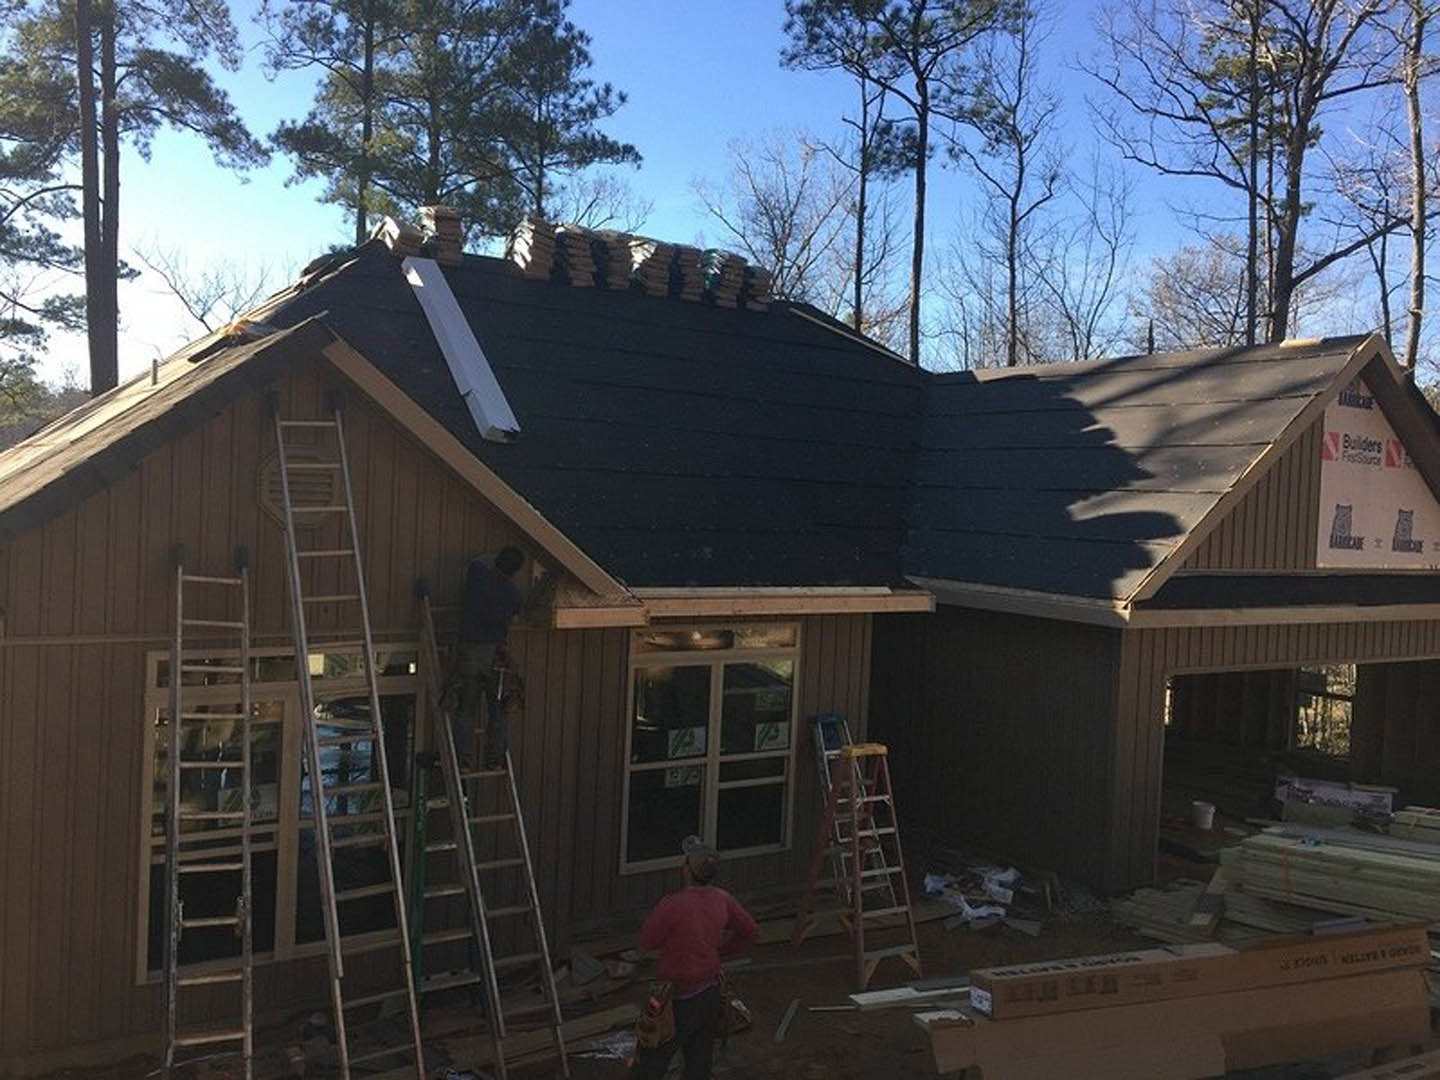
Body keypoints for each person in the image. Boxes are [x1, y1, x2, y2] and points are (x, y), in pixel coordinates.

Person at [631, 836, 759, 1080]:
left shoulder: (673, 905)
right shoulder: (723, 899)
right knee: (699, 1065)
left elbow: (646, 943)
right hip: (709, 994)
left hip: (675, 999)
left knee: (648, 1063)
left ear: (687, 869)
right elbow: (751, 932)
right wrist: (722, 952)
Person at [453, 547, 524, 767]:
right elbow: (518, 610)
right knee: (498, 712)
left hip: (472, 652)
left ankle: (463, 761)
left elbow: (477, 562)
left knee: (465, 711)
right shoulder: (511, 592)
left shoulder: (478, 575)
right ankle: (494, 758)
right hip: (496, 657)